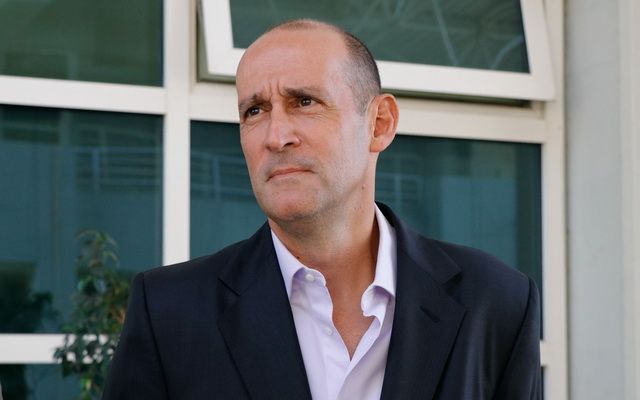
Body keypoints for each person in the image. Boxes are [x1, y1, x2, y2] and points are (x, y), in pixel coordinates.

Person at [103, 19, 541, 400]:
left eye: (304, 102)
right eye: (254, 110)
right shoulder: (170, 313)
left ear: (379, 124)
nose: (276, 136)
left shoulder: (496, 302)